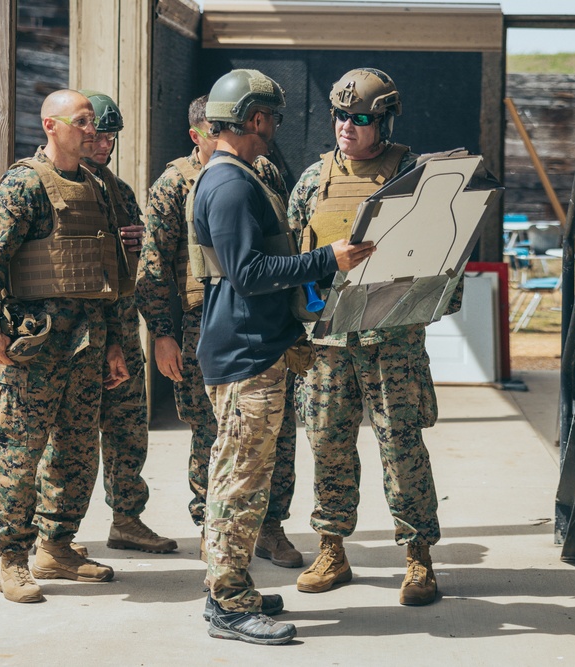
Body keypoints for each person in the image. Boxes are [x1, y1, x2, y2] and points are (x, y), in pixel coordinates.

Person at [192, 69, 375, 645]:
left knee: (244, 477)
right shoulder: (231, 185)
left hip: (255, 350)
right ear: (251, 118)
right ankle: (228, 603)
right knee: (238, 483)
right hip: (245, 356)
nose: (272, 129)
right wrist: (328, 260)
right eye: (268, 118)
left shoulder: (237, 178)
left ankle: (231, 584)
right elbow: (248, 274)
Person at [288, 68, 459, 607]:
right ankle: (331, 548)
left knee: (401, 445)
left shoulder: (412, 176)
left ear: (383, 120)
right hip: (330, 340)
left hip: (393, 339)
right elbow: (293, 255)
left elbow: (446, 249)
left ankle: (418, 557)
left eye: (359, 117)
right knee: (328, 445)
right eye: (340, 115)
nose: (346, 126)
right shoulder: (313, 181)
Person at [0, 89, 129, 604]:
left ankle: (57, 547)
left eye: (93, 122)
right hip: (32, 349)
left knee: (76, 453)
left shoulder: (98, 188)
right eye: (81, 121)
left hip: (86, 345)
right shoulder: (25, 185)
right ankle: (12, 560)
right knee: (18, 456)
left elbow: (108, 277)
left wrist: (116, 345)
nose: (92, 130)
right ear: (51, 126)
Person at [136, 94, 302, 568]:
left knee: (275, 433)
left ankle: (269, 527)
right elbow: (152, 267)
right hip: (201, 322)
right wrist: (163, 334)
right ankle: (214, 537)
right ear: (198, 135)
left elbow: (279, 242)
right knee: (213, 435)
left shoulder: (262, 171)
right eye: (214, 129)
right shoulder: (175, 182)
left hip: (261, 320)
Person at [79, 89, 177, 554]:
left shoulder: (119, 192)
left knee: (128, 431)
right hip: (73, 337)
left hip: (121, 330)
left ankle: (127, 520)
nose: (104, 147)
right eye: (97, 136)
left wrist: (136, 243)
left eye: (111, 138)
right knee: (68, 439)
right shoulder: (50, 183)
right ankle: (51, 536)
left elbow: (139, 266)